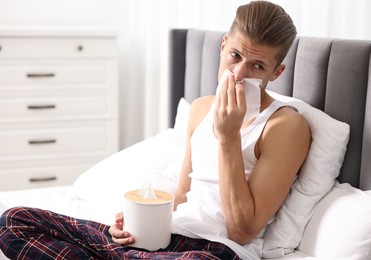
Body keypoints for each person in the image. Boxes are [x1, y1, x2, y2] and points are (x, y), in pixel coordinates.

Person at [0, 1, 310, 259]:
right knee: (14, 221)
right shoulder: (201, 108)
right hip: (165, 240)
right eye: (235, 56)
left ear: (277, 71)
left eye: (256, 66)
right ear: (223, 45)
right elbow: (182, 194)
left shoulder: (285, 126)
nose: (239, 74)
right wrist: (137, 219)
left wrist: (228, 136)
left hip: (213, 251)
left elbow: (242, 230)